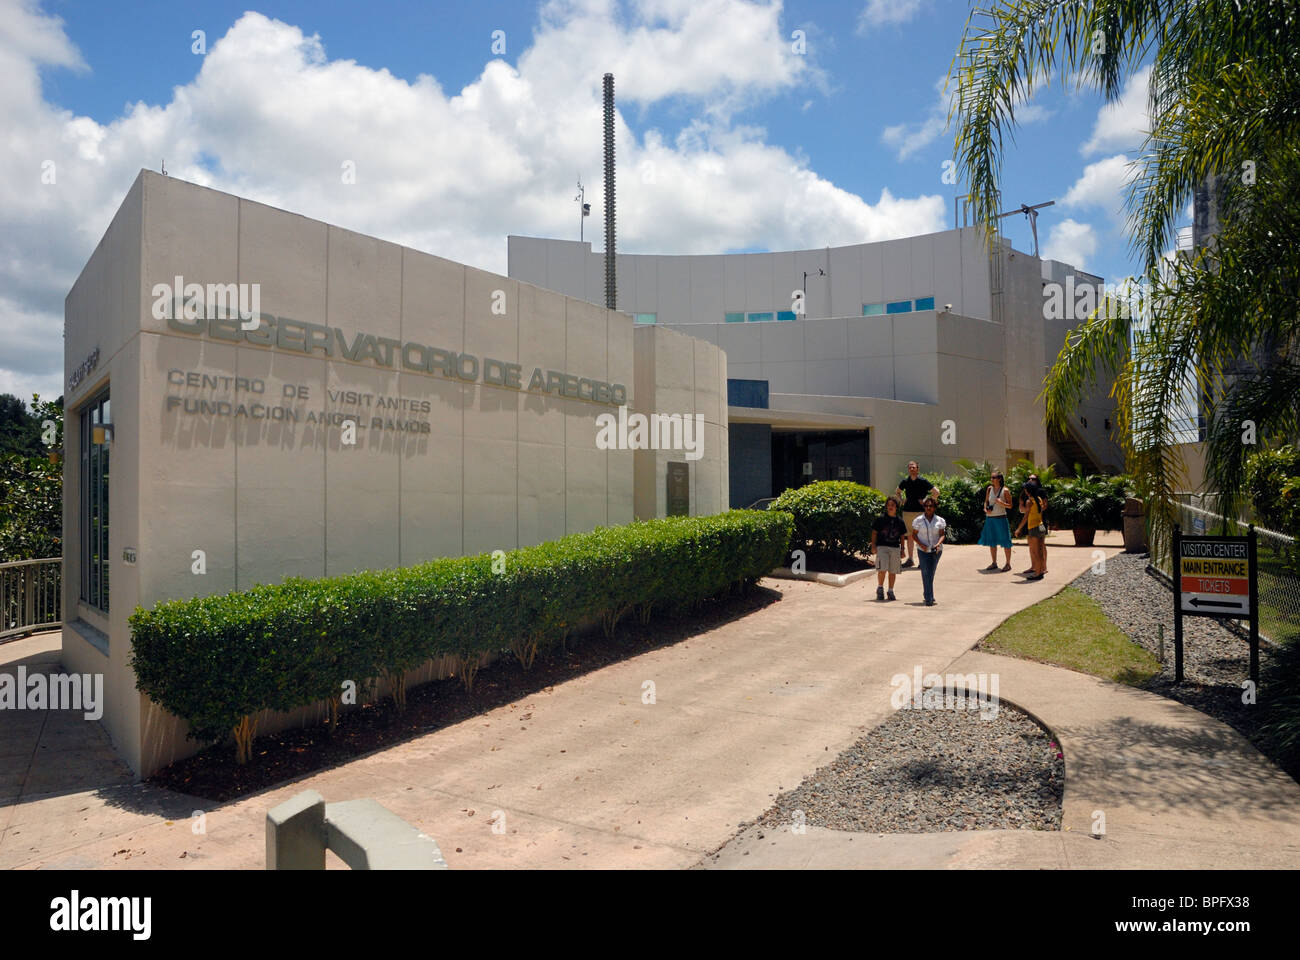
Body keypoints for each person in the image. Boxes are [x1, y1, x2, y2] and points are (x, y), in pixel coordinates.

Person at [895, 461, 939, 568]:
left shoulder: (922, 481)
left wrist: (926, 502)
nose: (911, 469)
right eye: (910, 467)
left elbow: (936, 492)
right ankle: (910, 560)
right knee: (909, 536)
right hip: (907, 512)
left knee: (921, 536)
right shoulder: (905, 481)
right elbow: (897, 492)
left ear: (917, 469)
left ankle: (922, 561)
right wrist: (901, 500)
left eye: (913, 467)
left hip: (920, 512)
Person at [910, 496, 947, 606]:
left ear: (935, 507)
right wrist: (922, 545)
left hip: (936, 550)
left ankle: (927, 592)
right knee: (925, 572)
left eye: (931, 506)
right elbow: (914, 535)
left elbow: (942, 535)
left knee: (931, 572)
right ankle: (929, 597)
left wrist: (938, 544)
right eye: (926, 506)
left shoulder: (940, 521)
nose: (928, 508)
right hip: (923, 550)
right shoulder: (918, 520)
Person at [869, 496, 907, 601]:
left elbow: (902, 535)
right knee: (882, 569)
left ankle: (890, 590)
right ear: (886, 506)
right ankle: (880, 588)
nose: (890, 507)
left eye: (893, 505)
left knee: (893, 571)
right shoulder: (881, 519)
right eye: (889, 505)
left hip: (895, 548)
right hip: (882, 547)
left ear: (896, 507)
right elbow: (874, 532)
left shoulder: (900, 521)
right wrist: (873, 545)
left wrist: (903, 549)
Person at [1014, 476, 1049, 581]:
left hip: (1034, 527)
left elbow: (1026, 516)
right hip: (1041, 525)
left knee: (1035, 552)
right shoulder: (1038, 499)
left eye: (1025, 489)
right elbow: (1041, 510)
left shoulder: (1029, 501)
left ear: (1028, 491)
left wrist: (1018, 528)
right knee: (1040, 551)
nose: (1024, 490)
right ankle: (1041, 570)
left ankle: (1037, 574)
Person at [978, 470, 1014, 571]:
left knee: (1006, 541)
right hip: (990, 519)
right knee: (992, 542)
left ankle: (1008, 564)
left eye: (994, 477)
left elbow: (1010, 505)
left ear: (999, 479)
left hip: (1001, 518)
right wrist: (986, 509)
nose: (992, 479)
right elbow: (986, 502)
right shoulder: (989, 489)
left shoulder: (1005, 490)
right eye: (991, 477)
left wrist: (1001, 503)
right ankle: (994, 562)